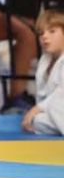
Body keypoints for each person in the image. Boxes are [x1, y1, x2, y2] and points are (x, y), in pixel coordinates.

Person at [22, 7, 64, 135]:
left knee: (55, 105)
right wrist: (37, 111)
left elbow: (61, 94)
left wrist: (38, 108)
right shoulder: (44, 61)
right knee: (38, 120)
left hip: (58, 107)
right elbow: (42, 95)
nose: (45, 37)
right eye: (41, 33)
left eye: (52, 31)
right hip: (55, 113)